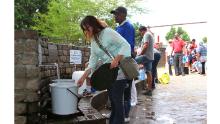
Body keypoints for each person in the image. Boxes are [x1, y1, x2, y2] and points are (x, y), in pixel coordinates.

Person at [77, 15, 131, 124]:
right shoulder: (94, 40)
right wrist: (83, 77)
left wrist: (116, 59)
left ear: (93, 25)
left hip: (120, 71)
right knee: (114, 102)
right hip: (109, 74)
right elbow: (92, 62)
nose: (86, 31)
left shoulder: (108, 32)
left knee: (117, 102)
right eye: (84, 29)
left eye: (87, 28)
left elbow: (126, 45)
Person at [110, 6, 135, 122]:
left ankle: (125, 114)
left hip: (124, 62)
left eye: (117, 14)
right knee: (120, 92)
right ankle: (119, 114)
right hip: (118, 62)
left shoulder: (128, 26)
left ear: (124, 15)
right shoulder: (118, 27)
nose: (115, 16)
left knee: (126, 90)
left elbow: (128, 45)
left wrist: (118, 59)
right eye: (115, 14)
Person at [135, 26, 154, 96]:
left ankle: (131, 79)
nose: (140, 34)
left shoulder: (146, 34)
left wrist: (140, 54)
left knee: (133, 61)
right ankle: (149, 90)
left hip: (146, 56)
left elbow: (145, 45)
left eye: (140, 32)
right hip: (150, 56)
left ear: (142, 31)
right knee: (148, 72)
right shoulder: (150, 35)